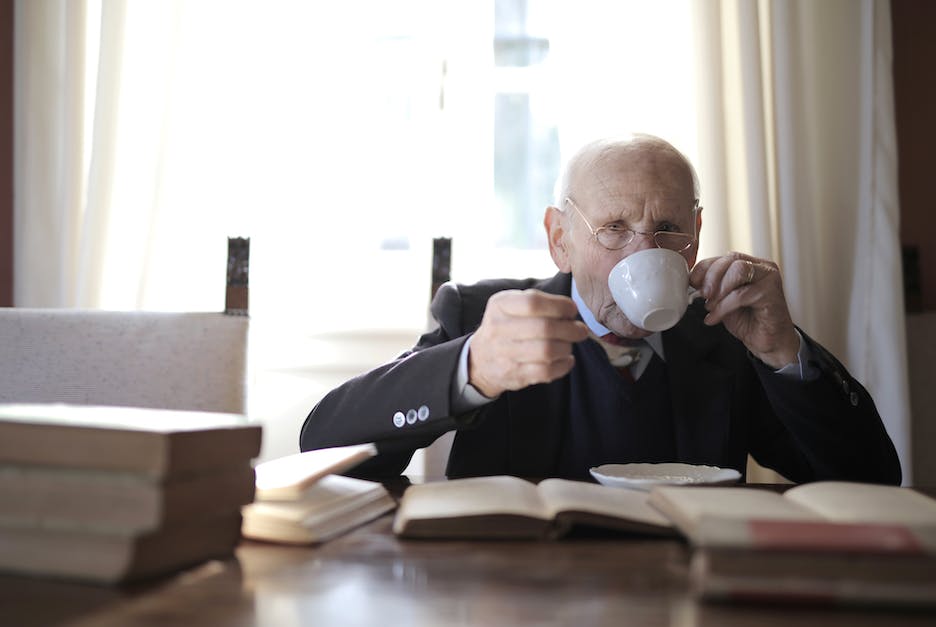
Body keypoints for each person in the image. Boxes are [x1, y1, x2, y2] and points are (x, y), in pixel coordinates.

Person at [300, 134, 901, 485]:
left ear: (696, 232)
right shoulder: (483, 317)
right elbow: (324, 447)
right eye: (614, 227)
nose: (644, 250)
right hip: (515, 598)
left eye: (667, 228)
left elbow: (870, 480)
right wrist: (469, 370)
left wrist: (784, 353)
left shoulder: (729, 334)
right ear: (559, 237)